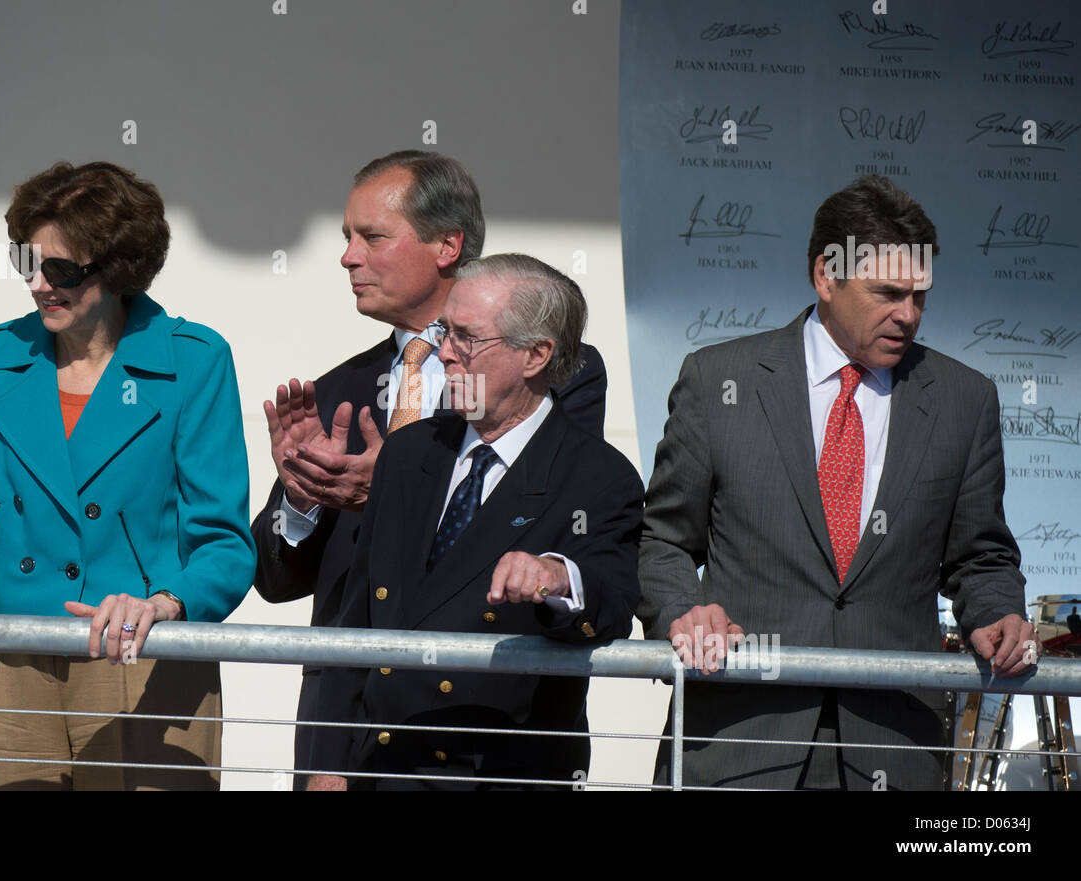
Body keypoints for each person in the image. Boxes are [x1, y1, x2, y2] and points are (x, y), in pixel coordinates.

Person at [0, 161, 256, 790]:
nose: (40, 285)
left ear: (119, 268)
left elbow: (225, 542)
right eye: (28, 264)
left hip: (145, 657)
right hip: (19, 651)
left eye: (62, 270)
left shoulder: (194, 360)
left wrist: (165, 604)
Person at [639, 174, 1033, 790]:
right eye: (888, 293)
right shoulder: (719, 381)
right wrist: (682, 613)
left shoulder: (965, 400)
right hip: (739, 739)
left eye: (920, 296)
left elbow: (980, 556)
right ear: (826, 276)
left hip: (895, 743)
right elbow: (662, 540)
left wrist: (997, 612)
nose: (908, 315)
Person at [251, 150, 610, 785]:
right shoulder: (338, 388)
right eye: (346, 238)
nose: (348, 257)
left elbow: (553, 522)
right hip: (346, 730)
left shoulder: (558, 374)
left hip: (489, 730)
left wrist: (390, 488)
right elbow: (277, 581)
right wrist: (304, 497)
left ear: (448, 245)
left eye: (373, 237)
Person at [307, 254, 642, 790]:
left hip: (497, 773)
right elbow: (355, 624)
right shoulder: (410, 452)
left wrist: (557, 576)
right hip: (382, 766)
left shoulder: (597, 475)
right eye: (446, 331)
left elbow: (611, 606)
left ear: (536, 355)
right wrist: (327, 765)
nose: (444, 353)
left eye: (466, 338)